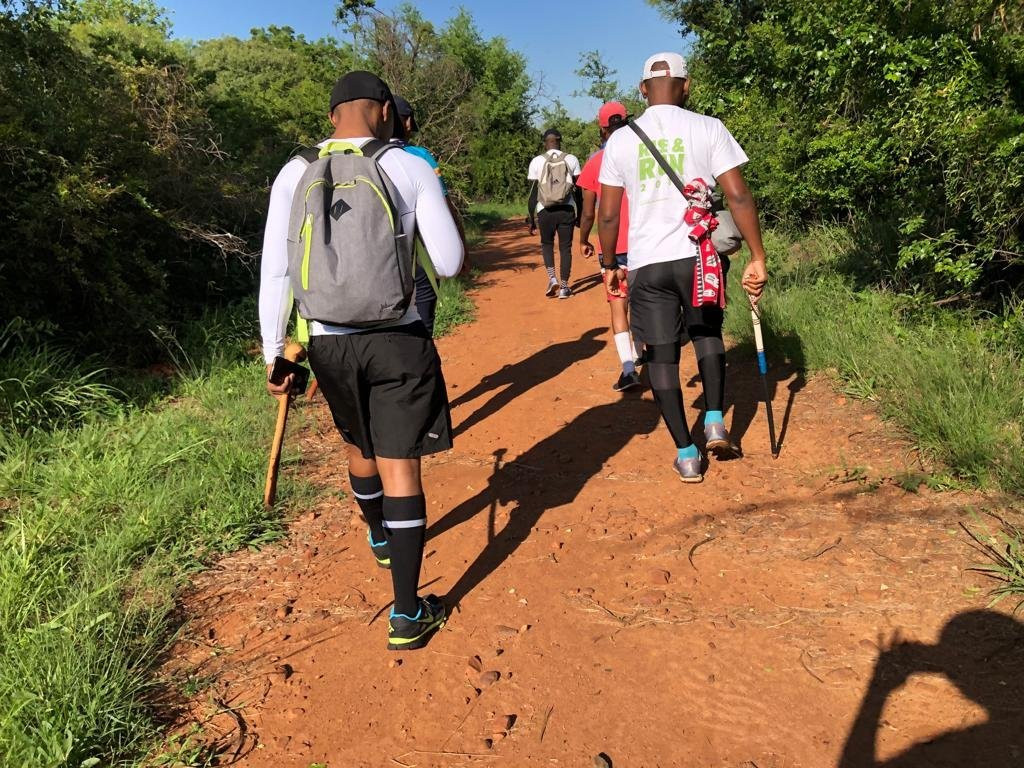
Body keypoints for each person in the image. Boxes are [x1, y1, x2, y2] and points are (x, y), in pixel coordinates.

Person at [259, 71, 464, 650]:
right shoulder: (407, 165)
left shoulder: (293, 172)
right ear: (382, 111)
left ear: (331, 117)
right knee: (402, 464)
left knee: (359, 446)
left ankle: (377, 535)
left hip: (327, 341)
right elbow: (446, 263)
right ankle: (406, 614)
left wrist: (278, 353)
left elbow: (276, 270)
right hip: (397, 336)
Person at [598, 52, 768, 483]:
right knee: (707, 332)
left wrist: (609, 262)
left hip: (647, 263)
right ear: (686, 86)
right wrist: (757, 255)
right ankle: (714, 419)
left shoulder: (619, 141)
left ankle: (687, 454)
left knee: (661, 355)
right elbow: (739, 196)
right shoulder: (708, 128)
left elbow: (610, 215)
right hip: (698, 257)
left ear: (642, 90)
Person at [577, 101, 642, 392]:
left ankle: (629, 369)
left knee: (619, 303)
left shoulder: (594, 162)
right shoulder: (643, 152)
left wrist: (583, 238)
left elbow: (589, 211)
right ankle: (644, 351)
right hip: (645, 239)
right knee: (645, 299)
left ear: (603, 129)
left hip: (612, 243)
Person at [392, 95, 468, 337]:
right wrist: (462, 247)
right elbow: (445, 205)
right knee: (423, 322)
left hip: (378, 258)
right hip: (419, 253)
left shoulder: (361, 157)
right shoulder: (421, 157)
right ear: (407, 122)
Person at [527, 129, 582, 299]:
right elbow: (578, 191)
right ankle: (565, 287)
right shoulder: (571, 159)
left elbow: (533, 194)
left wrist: (531, 219)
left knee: (547, 244)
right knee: (565, 248)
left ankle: (552, 278)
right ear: (560, 141)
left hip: (545, 210)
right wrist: (579, 214)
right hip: (566, 209)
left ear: (545, 142)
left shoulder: (537, 161)